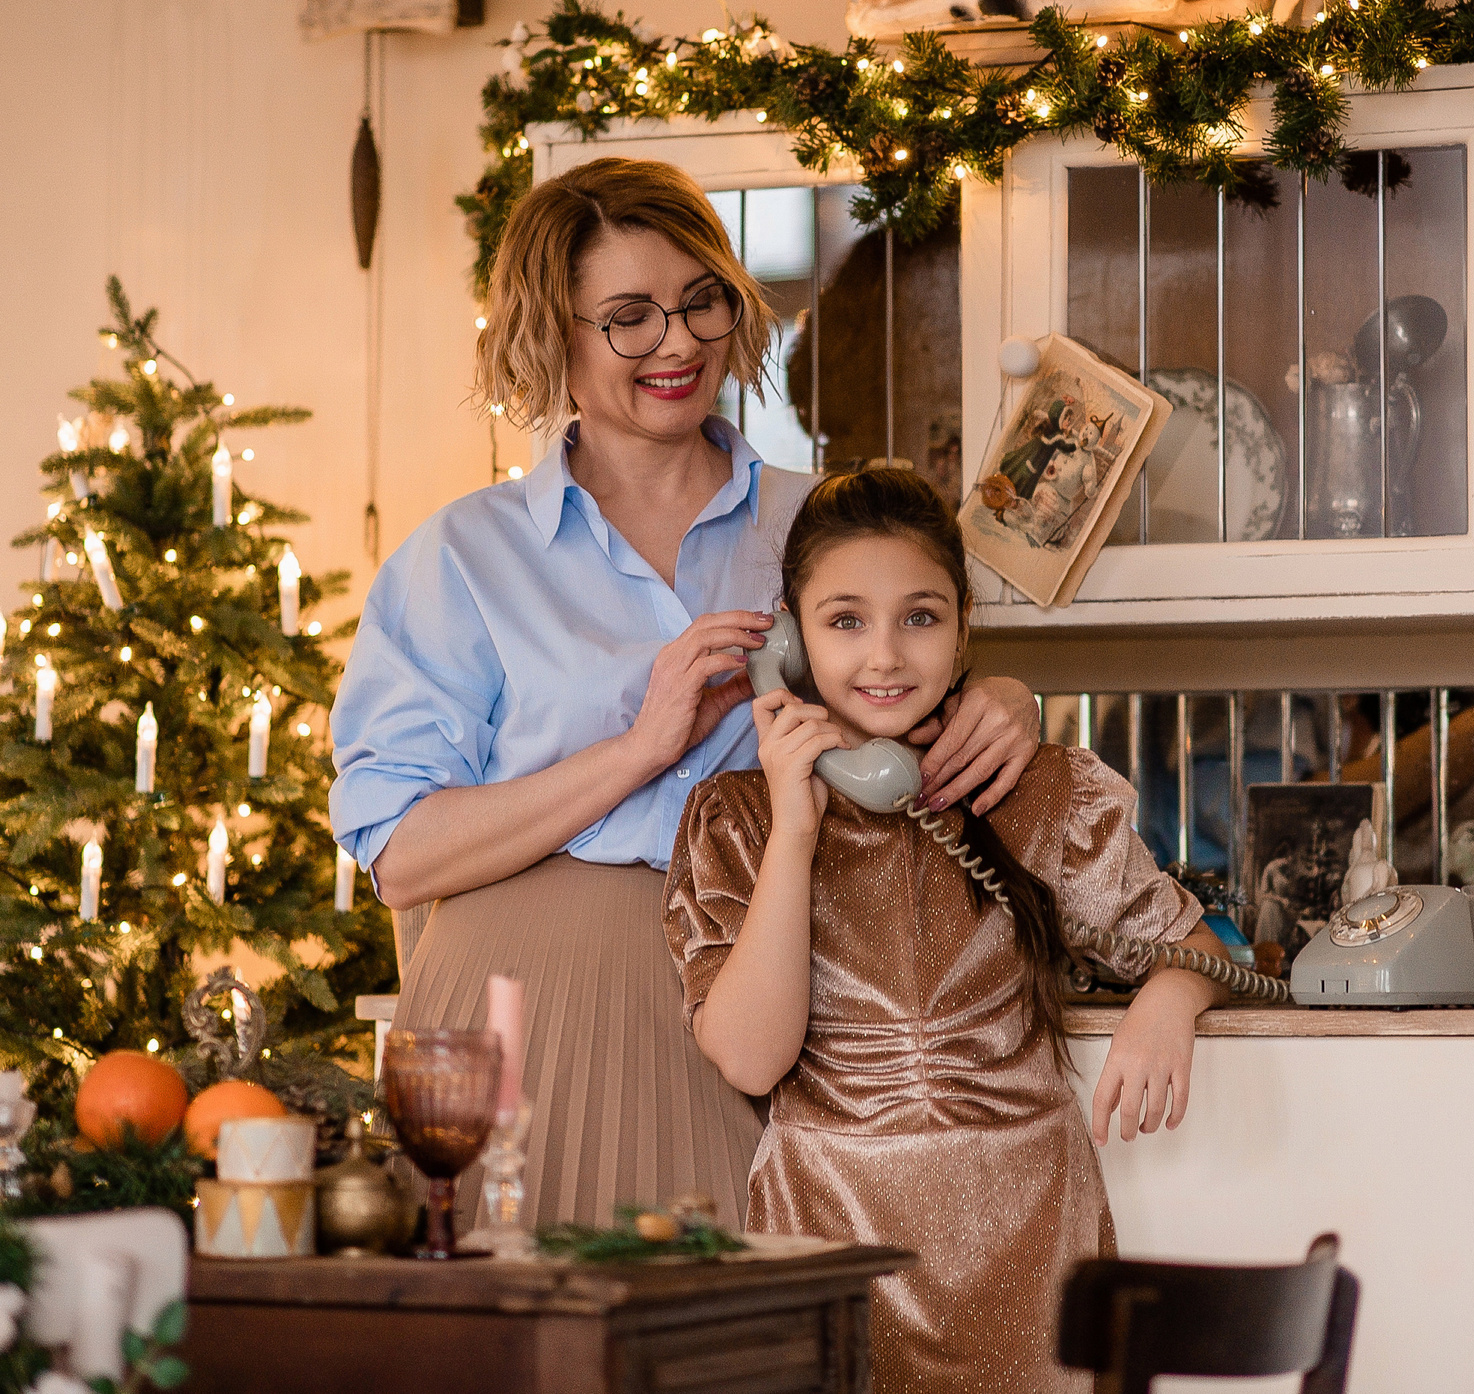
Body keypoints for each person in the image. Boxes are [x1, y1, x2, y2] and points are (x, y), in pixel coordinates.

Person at [329, 159, 1041, 1232]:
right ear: (549, 335)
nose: (679, 342)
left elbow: (915, 679)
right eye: (627, 317)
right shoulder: (465, 557)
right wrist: (638, 748)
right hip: (525, 1013)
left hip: (797, 1004)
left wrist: (1009, 701)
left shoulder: (821, 524)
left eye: (700, 300)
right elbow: (402, 855)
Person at [665, 469, 1230, 1394]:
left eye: (919, 618)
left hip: (1030, 1242)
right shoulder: (738, 819)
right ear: (793, 640)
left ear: (965, 623)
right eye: (845, 621)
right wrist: (797, 825)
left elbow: (1199, 950)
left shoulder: (1041, 790)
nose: (885, 656)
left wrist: (1171, 996)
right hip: (828, 1243)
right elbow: (751, 1057)